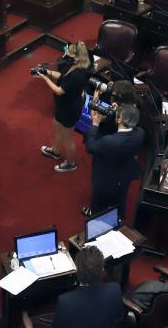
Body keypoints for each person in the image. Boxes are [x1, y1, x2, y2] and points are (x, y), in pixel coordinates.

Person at [51, 246, 124, 328]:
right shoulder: (114, 289)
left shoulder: (65, 301)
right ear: (102, 270)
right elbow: (118, 317)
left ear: (77, 270)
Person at [35, 41, 93, 173]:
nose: (66, 53)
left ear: (77, 57)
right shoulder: (71, 64)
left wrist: (44, 78)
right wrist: (47, 72)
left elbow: (59, 90)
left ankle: (71, 164)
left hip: (70, 109)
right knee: (57, 125)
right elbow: (61, 76)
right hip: (62, 105)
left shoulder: (78, 74)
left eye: (70, 52)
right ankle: (55, 151)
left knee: (68, 138)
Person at [83, 103, 145, 218]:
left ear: (120, 119)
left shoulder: (109, 141)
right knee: (120, 201)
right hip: (125, 175)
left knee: (98, 208)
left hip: (106, 181)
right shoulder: (140, 133)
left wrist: (95, 124)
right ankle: (119, 218)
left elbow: (90, 146)